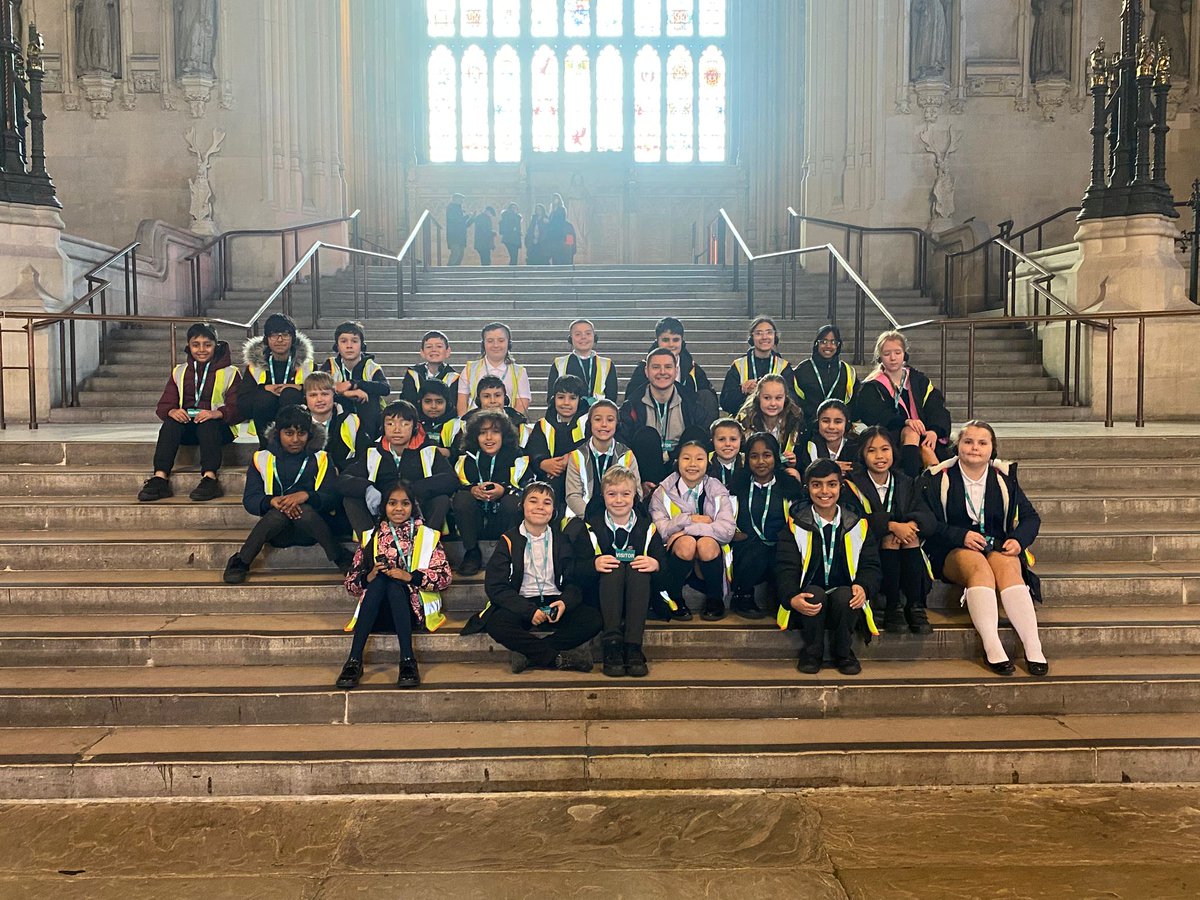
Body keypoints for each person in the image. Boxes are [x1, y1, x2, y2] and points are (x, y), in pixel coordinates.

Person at [915, 421, 1046, 676]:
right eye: (968, 442)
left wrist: (1018, 540)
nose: (974, 448)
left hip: (995, 546)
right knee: (979, 567)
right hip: (951, 549)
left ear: (991, 449)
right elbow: (927, 523)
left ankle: (1033, 645)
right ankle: (992, 645)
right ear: (957, 446)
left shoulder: (1004, 478)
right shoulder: (936, 478)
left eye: (982, 443)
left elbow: (1031, 518)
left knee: (1009, 565)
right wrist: (960, 535)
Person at [463, 482, 601, 673]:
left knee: (592, 619)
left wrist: (564, 603)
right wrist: (529, 611)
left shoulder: (562, 540)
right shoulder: (508, 540)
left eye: (546, 503)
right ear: (522, 506)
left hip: (554, 602)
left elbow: (574, 580)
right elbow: (496, 587)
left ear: (553, 511)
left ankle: (530, 654)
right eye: (533, 501)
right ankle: (556, 659)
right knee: (497, 624)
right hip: (522, 602)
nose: (539, 507)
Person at [336, 483, 452, 689]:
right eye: (392, 503)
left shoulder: (426, 535)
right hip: (376, 612)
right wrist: (369, 576)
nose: (399, 509)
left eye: (405, 503)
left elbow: (444, 577)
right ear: (384, 507)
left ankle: (407, 659)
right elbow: (351, 584)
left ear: (413, 507)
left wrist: (408, 576)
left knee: (393, 585)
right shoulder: (371, 537)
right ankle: (354, 660)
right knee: (381, 581)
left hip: (412, 610)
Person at [223, 405, 352, 584]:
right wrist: (271, 501)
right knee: (278, 514)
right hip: (277, 531)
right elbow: (250, 499)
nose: (295, 440)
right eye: (289, 433)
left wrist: (307, 496)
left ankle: (339, 557)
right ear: (278, 433)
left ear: (310, 434)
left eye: (301, 434)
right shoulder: (262, 458)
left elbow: (332, 497)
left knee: (304, 511)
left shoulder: (321, 458)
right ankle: (241, 561)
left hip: (312, 529)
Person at [776, 458, 882, 676]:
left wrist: (864, 586)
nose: (824, 491)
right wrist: (791, 597)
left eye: (831, 484)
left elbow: (871, 565)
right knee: (813, 595)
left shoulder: (857, 523)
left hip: (844, 603)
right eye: (817, 484)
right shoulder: (795, 524)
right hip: (808, 604)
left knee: (847, 595)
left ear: (840, 488)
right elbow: (784, 567)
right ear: (807, 488)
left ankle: (843, 652)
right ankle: (812, 652)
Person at [137, 322, 241, 503]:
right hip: (188, 427)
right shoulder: (180, 371)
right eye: (196, 344)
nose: (201, 349)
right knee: (170, 424)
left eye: (207, 345)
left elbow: (239, 407)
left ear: (216, 346)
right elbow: (164, 405)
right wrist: (172, 411)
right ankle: (160, 477)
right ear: (189, 346)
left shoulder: (230, 372)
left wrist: (218, 413)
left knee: (208, 423)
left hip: (219, 429)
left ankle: (210, 478)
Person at [577, 466, 665, 677]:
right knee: (612, 569)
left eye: (625, 494)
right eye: (612, 494)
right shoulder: (590, 527)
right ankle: (612, 645)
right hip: (602, 599)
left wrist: (656, 564)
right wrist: (593, 564)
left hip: (640, 596)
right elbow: (574, 569)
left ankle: (634, 646)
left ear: (635, 495)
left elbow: (665, 567)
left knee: (639, 570)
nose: (619, 500)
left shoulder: (647, 528)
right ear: (603, 496)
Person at [845, 426, 933, 635]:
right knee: (891, 538)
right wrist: (891, 525)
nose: (879, 456)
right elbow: (853, 520)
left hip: (905, 550)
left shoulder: (905, 481)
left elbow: (928, 517)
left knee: (909, 538)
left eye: (885, 449)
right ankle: (892, 605)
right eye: (871, 451)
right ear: (862, 455)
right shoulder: (852, 484)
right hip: (868, 548)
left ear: (894, 451)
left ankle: (914, 606)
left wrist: (911, 525)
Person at [339, 400, 457, 538]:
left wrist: (413, 490)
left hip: (418, 511)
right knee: (350, 500)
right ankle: (371, 547)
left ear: (414, 427)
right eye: (390, 423)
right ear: (383, 426)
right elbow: (342, 480)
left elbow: (451, 480)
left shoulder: (429, 451)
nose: (396, 429)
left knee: (441, 499)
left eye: (404, 424)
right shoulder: (373, 452)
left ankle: (425, 546)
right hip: (383, 512)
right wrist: (367, 488)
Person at [649, 438, 737, 622]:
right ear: (677, 462)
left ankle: (715, 599)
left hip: (709, 551)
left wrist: (686, 528)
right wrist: (690, 519)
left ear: (707, 462)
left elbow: (727, 530)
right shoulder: (662, 491)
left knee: (705, 543)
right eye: (686, 458)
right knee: (687, 544)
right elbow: (662, 530)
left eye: (699, 459)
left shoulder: (716, 488)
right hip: (675, 552)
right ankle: (675, 597)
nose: (692, 464)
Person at [729, 432, 804, 619]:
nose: (761, 461)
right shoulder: (737, 485)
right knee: (755, 549)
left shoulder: (789, 486)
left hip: (781, 545)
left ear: (776, 457)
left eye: (767, 455)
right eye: (754, 456)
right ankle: (743, 595)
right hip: (747, 546)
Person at [856, 330, 951, 478]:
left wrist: (934, 431)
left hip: (924, 433)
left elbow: (936, 407)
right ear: (880, 357)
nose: (893, 358)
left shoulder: (918, 380)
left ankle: (937, 484)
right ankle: (911, 480)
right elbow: (873, 414)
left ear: (904, 355)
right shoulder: (872, 385)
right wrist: (906, 422)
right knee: (911, 432)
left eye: (897, 352)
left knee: (930, 446)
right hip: (890, 433)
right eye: (887, 354)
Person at [619, 347, 712, 492]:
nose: (662, 372)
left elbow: (704, 439)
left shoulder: (693, 402)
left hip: (680, 468)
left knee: (696, 433)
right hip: (646, 471)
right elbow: (624, 445)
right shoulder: (632, 404)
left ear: (676, 371)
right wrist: (638, 481)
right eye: (656, 367)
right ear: (646, 371)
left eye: (668, 367)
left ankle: (687, 489)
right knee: (646, 436)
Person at [451, 410, 531, 576]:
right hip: (475, 522)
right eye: (482, 433)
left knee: (512, 502)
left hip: (502, 522)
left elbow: (527, 488)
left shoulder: (517, 457)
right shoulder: (465, 459)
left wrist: (504, 490)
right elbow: (455, 487)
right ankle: (472, 553)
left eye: (495, 432)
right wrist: (472, 490)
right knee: (462, 499)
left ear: (504, 435)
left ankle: (505, 554)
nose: (489, 438)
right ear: (475, 437)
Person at [236, 313, 314, 447]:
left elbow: (319, 396)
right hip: (265, 417)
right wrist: (264, 389)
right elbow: (244, 403)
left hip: (297, 421)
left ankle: (294, 446)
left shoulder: (307, 366)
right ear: (266, 339)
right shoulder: (255, 367)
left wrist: (299, 388)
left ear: (293, 338)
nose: (279, 340)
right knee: (264, 398)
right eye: (273, 335)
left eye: (285, 334)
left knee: (290, 394)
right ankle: (267, 447)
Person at [624, 317, 719, 424]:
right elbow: (630, 400)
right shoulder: (643, 369)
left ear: (682, 341)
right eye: (665, 340)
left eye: (675, 340)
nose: (671, 345)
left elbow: (709, 401)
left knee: (707, 395)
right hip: (651, 418)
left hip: (684, 418)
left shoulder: (693, 369)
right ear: (657, 341)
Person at [565, 399, 641, 521]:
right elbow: (573, 496)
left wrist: (615, 517)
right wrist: (595, 519)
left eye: (610, 420)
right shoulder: (577, 455)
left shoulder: (627, 455)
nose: (604, 424)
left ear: (617, 424)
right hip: (585, 517)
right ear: (590, 423)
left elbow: (637, 493)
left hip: (620, 516)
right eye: (598, 419)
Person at [321, 321, 392, 442]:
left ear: (362, 345)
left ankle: (369, 444)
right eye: (344, 341)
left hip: (367, 413)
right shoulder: (330, 364)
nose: (349, 346)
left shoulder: (370, 366)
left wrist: (355, 384)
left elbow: (385, 388)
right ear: (337, 346)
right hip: (339, 412)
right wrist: (345, 393)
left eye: (354, 341)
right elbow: (317, 387)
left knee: (369, 398)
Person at [524, 374, 588, 500]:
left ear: (579, 400)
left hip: (582, 476)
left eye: (572, 398)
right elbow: (533, 450)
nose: (566, 403)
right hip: (551, 477)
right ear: (553, 399)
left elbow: (593, 445)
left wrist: (571, 458)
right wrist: (542, 463)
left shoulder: (588, 423)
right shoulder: (543, 425)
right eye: (561, 397)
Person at [735, 374, 806, 482]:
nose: (773, 403)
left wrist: (795, 462)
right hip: (754, 471)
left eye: (778, 398)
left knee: (793, 473)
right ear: (758, 397)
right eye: (767, 398)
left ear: (785, 397)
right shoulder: (744, 420)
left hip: (782, 472)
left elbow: (803, 458)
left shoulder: (796, 420)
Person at [719, 316, 792, 415]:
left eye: (769, 332)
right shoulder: (738, 365)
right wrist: (742, 391)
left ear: (775, 336)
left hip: (775, 423)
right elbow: (725, 403)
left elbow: (793, 401)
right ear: (752, 337)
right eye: (759, 333)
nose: (764, 337)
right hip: (744, 424)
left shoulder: (784, 366)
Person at [457, 322, 532, 416]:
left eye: (501, 340)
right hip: (475, 424)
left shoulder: (519, 372)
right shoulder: (469, 369)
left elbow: (522, 405)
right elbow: (462, 404)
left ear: (509, 344)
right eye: (490, 341)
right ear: (483, 344)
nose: (496, 345)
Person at [790, 324, 857, 426]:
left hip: (838, 429)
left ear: (838, 345)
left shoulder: (847, 371)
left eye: (833, 342)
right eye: (824, 342)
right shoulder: (802, 370)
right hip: (809, 429)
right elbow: (796, 402)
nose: (828, 346)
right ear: (817, 344)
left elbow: (853, 402)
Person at [301, 371, 366, 475]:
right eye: (313, 395)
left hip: (341, 477)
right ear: (306, 398)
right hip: (304, 477)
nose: (319, 399)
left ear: (333, 395)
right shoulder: (296, 420)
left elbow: (362, 457)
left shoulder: (351, 421)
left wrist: (339, 469)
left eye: (325, 394)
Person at [546, 319, 618, 407]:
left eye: (588, 333)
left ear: (594, 337)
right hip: (567, 416)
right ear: (570, 338)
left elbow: (611, 398)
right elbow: (551, 397)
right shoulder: (559, 363)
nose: (583, 337)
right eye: (578, 334)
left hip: (597, 416)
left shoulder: (607, 364)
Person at [799, 399, 859, 477]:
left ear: (847, 424)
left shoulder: (856, 445)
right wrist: (833, 469)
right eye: (826, 421)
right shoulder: (809, 446)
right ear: (818, 423)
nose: (831, 427)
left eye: (838, 422)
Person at [400, 330, 459, 405]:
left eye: (439, 346)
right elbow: (407, 401)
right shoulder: (413, 373)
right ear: (422, 352)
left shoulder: (453, 377)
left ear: (447, 352)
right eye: (429, 347)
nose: (434, 350)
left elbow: (453, 404)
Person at [416, 380, 460, 455]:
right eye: (428, 401)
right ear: (420, 402)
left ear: (447, 403)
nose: (433, 406)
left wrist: (449, 453)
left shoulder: (457, 425)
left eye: (439, 402)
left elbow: (461, 452)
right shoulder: (413, 423)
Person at [708, 418, 746, 490]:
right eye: (721, 439)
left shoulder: (747, 464)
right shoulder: (705, 464)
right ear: (712, 441)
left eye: (733, 439)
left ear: (741, 440)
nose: (727, 444)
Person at [446, 192, 470, 267]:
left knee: (460, 254)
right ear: (455, 199)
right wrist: (466, 217)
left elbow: (464, 224)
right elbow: (456, 220)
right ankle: (449, 270)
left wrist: (471, 218)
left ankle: (456, 269)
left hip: (461, 235)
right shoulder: (451, 208)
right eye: (461, 199)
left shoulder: (459, 209)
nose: (462, 201)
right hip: (454, 235)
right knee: (455, 253)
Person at [546, 193, 568, 265]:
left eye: (556, 198)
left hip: (559, 233)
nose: (555, 200)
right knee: (553, 251)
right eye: (553, 198)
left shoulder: (561, 209)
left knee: (558, 250)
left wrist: (550, 222)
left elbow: (560, 221)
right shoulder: (552, 211)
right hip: (552, 234)